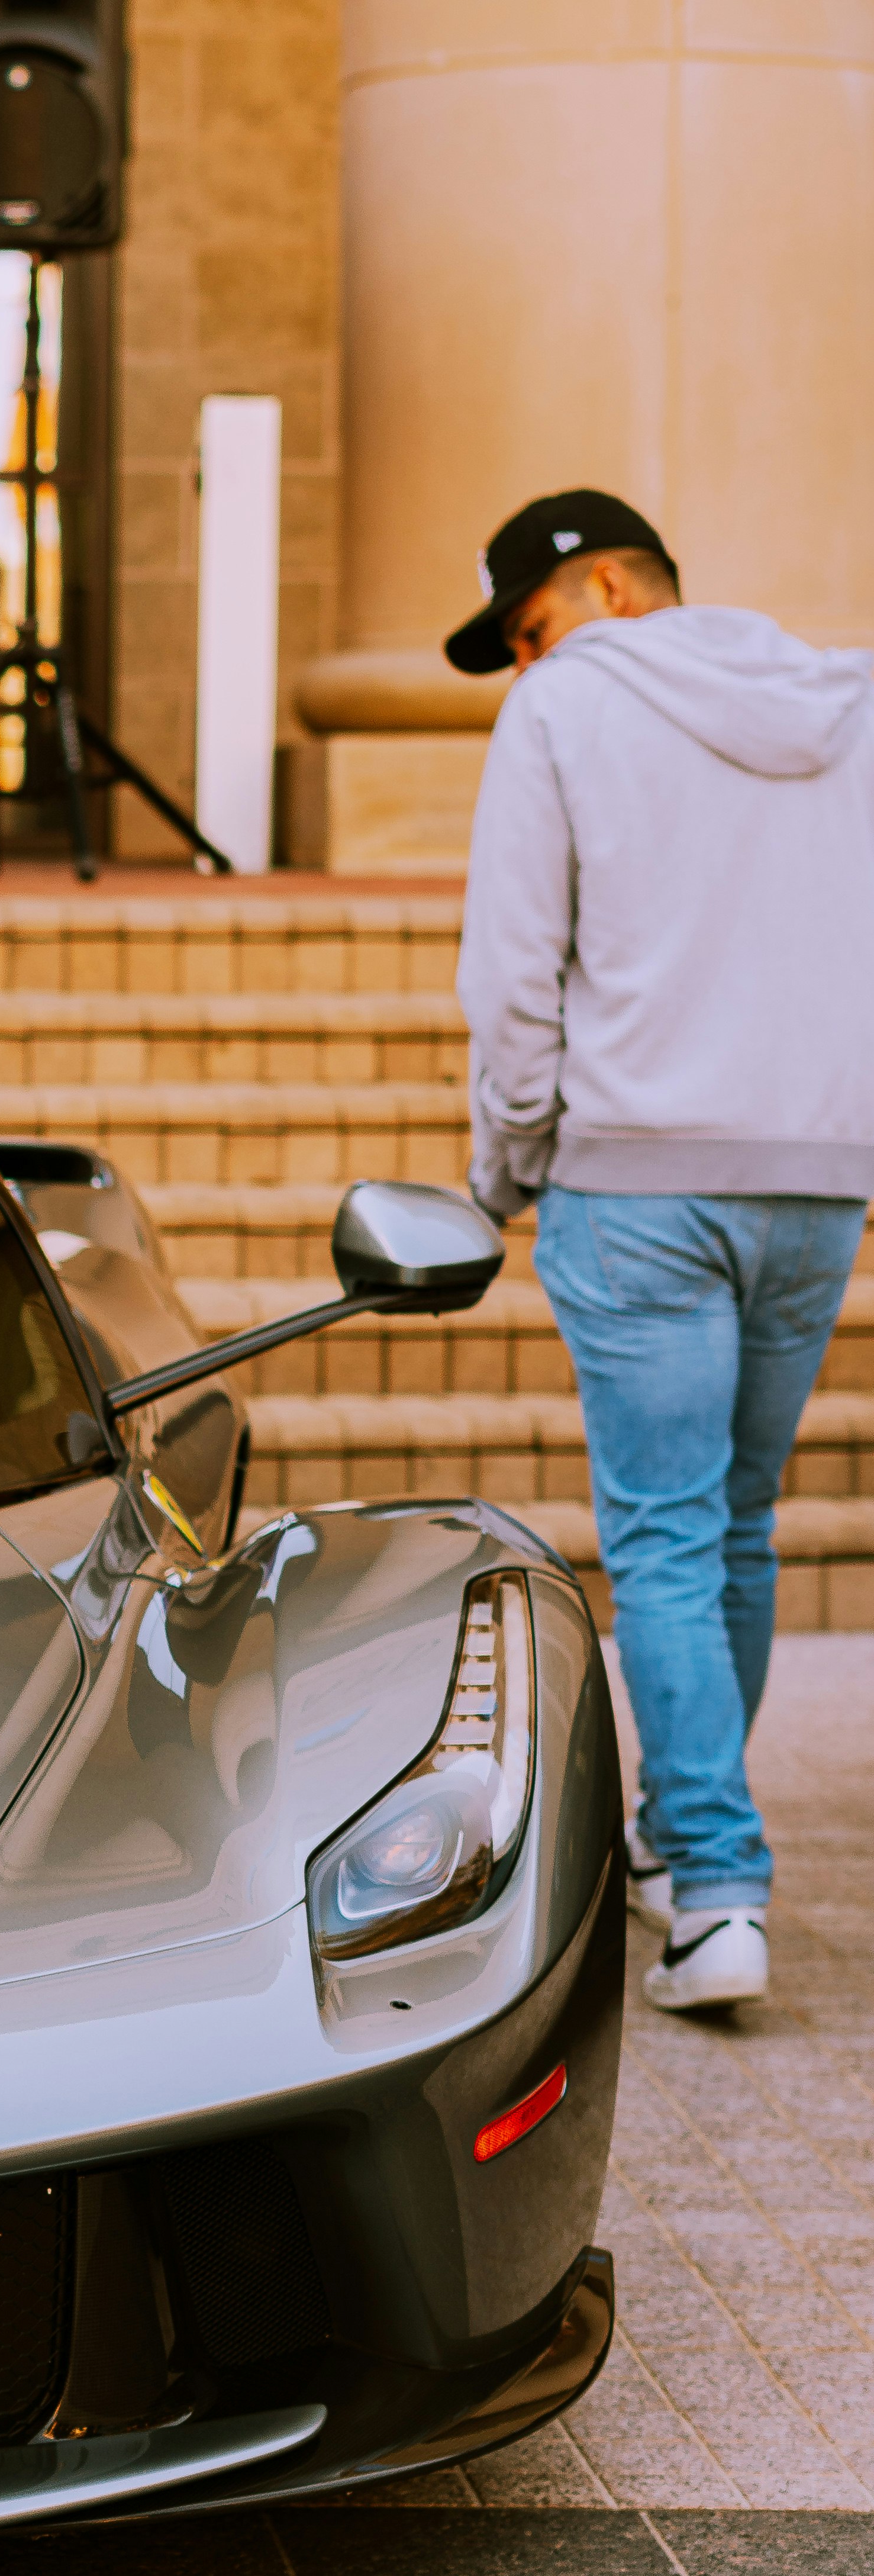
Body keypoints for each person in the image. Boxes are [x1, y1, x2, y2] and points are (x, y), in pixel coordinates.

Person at [450, 487, 874, 2015]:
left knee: (660, 1538)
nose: (522, 664)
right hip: (815, 1180)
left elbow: (512, 974)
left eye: (525, 627)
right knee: (731, 1527)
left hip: (635, 1179)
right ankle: (672, 1850)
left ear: (611, 589)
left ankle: (711, 1886)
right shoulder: (844, 704)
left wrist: (498, 1170)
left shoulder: (561, 715)